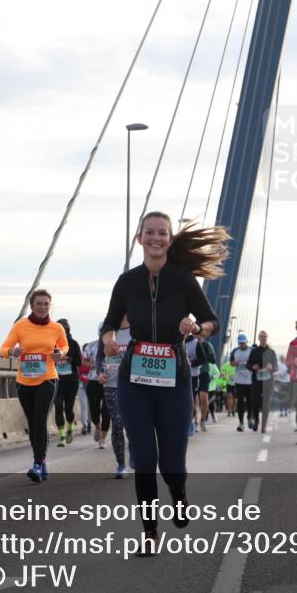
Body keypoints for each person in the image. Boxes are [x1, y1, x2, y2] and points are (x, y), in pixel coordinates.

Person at [101, 213, 227, 550]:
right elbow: (109, 321)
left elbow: (211, 321)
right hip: (135, 379)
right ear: (139, 238)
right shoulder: (126, 281)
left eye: (162, 233)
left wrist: (196, 329)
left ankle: (179, 494)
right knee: (143, 460)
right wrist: (109, 336)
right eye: (149, 233)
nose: (156, 238)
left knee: (172, 464)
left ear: (170, 240)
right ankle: (149, 533)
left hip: (174, 380)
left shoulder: (184, 281)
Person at [0, 289, 68, 482]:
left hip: (47, 378)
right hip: (24, 381)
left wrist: (60, 354)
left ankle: (37, 464)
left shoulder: (56, 328)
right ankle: (41, 460)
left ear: (50, 306)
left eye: (46, 304)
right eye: (39, 303)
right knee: (32, 423)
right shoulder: (20, 326)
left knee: (40, 420)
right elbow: (3, 349)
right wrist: (13, 352)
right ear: (32, 305)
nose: (42, 307)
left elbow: (64, 346)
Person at [98, 318, 132, 478]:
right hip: (111, 384)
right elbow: (99, 356)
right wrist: (99, 372)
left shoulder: (138, 328)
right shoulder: (107, 332)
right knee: (117, 424)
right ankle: (121, 464)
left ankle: (135, 451)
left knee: (134, 425)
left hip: (135, 385)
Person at [53, 318, 82, 447]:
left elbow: (79, 363)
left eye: (62, 329)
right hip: (57, 380)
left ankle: (70, 425)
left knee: (68, 409)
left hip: (71, 381)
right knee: (58, 406)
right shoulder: (52, 344)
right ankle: (62, 436)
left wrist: (67, 358)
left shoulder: (73, 344)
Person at [83, 336, 110, 447]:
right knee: (94, 409)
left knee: (106, 411)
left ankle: (102, 439)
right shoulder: (91, 345)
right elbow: (83, 361)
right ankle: (97, 427)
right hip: (94, 380)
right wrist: (95, 365)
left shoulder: (116, 344)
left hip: (110, 381)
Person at [250, 330, 278, 434]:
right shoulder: (254, 351)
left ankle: (264, 425)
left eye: (264, 337)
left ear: (267, 338)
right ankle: (257, 420)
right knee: (255, 402)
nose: (263, 339)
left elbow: (276, 367)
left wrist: (271, 367)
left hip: (268, 380)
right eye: (261, 337)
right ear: (259, 338)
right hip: (256, 380)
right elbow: (248, 365)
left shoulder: (271, 352)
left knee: (265, 403)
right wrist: (253, 367)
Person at [230, 334, 254, 431]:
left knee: (250, 401)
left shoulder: (251, 350)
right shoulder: (235, 351)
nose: (242, 345)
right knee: (240, 402)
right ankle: (241, 423)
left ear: (246, 342)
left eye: (243, 343)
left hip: (250, 380)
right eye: (240, 343)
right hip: (239, 380)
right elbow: (231, 363)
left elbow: (255, 362)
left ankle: (249, 419)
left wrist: (249, 363)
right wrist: (234, 363)